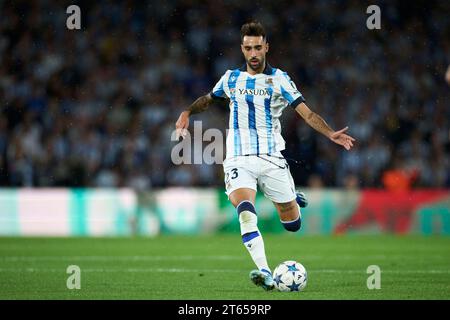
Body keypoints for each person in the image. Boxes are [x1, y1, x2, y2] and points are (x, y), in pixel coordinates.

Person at [175, 21, 355, 291]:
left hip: (271, 158)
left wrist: (329, 133)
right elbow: (208, 98)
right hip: (237, 158)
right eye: (248, 48)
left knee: (292, 224)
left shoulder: (279, 79)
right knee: (245, 212)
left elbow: (306, 113)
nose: (254, 53)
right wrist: (187, 112)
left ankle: (291, 197)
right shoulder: (231, 78)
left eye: (258, 47)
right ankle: (264, 271)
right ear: (242, 49)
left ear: (266, 47)